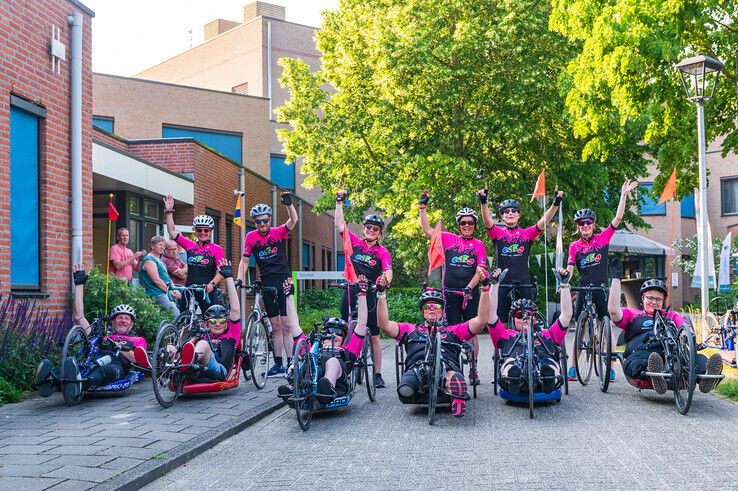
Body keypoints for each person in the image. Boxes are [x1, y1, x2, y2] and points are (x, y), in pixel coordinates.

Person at [377, 268, 490, 418]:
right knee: (405, 390)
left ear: (443, 311)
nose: (432, 310)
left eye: (436, 307)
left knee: (452, 376)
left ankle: (455, 389)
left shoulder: (452, 330)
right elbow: (384, 324)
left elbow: (481, 321)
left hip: (447, 366)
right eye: (428, 307)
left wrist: (486, 289)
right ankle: (437, 387)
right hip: (417, 368)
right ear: (422, 311)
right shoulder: (411, 329)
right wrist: (381, 293)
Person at [36, 264, 151, 401]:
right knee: (78, 366)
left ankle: (80, 385)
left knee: (102, 370)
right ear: (113, 322)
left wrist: (117, 346)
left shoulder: (137, 340)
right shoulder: (102, 334)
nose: (123, 321)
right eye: (119, 317)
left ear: (131, 324)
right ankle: (48, 380)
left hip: (116, 365)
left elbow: (138, 360)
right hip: (93, 359)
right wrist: (79, 284)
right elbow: (79, 317)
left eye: (127, 319)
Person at [607, 261, 723, 394]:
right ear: (642, 298)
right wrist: (616, 279)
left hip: (673, 353)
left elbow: (686, 328)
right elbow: (614, 311)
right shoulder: (633, 314)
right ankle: (655, 374)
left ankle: (707, 378)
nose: (654, 302)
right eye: (650, 298)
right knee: (637, 363)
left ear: (663, 301)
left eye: (658, 299)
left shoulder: (671, 315)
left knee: (699, 360)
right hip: (643, 351)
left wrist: (688, 337)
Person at [565, 179, 638, 382]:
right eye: (582, 224)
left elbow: (618, 218)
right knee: (579, 329)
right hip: (582, 288)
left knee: (606, 323)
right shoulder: (574, 246)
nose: (585, 226)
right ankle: (573, 367)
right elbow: (570, 269)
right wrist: (565, 278)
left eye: (588, 223)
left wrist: (623, 194)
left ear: (593, 224)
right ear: (578, 227)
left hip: (601, 288)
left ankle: (611, 366)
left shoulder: (602, 238)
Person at [419, 189, 487, 385]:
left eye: (470, 223)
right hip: (448, 294)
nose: (467, 226)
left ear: (474, 226)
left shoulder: (479, 245)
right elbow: (427, 230)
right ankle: (453, 368)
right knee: (451, 332)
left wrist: (469, 287)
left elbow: (480, 270)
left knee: (471, 331)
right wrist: (423, 206)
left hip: (470, 294)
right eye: (463, 223)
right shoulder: (449, 238)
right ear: (459, 225)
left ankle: (473, 369)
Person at [278, 275, 371, 406]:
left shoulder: (348, 351)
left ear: (344, 339)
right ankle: (293, 389)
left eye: (338, 333)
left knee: (332, 362)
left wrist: (361, 294)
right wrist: (289, 296)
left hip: (337, 381)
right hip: (310, 376)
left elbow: (362, 323)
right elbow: (294, 325)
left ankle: (327, 389)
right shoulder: (312, 347)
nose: (333, 335)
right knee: (295, 365)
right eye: (329, 331)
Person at [479, 186, 564, 325]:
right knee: (501, 326)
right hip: (503, 284)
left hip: (523, 283)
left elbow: (543, 222)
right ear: (502, 216)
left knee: (528, 323)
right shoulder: (498, 234)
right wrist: (483, 202)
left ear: (519, 214)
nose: (510, 213)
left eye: (514, 211)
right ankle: (500, 348)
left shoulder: (526, 234)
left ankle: (529, 345)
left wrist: (555, 203)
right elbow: (487, 222)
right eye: (506, 211)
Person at [335, 190, 393, 389]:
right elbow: (340, 225)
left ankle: (377, 374)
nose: (370, 230)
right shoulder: (355, 243)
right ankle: (339, 367)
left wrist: (384, 281)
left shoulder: (382, 252)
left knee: (375, 335)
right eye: (368, 227)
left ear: (380, 233)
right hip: (351, 289)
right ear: (363, 229)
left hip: (370, 292)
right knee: (341, 330)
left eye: (375, 229)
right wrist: (339, 202)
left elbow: (388, 270)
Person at [237, 191, 298, 377]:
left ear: (270, 219)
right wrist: (240, 278)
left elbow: (293, 221)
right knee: (275, 327)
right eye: (258, 221)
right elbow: (245, 261)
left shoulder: (278, 232)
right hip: (267, 283)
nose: (262, 224)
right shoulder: (251, 237)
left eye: (264, 220)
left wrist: (288, 204)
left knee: (287, 325)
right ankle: (278, 364)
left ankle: (291, 363)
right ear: (254, 222)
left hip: (284, 281)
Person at [487, 268, 573, 395]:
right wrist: (494, 285)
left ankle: (547, 379)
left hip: (542, 367)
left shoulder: (546, 334)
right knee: (511, 364)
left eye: (527, 315)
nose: (524, 319)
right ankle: (514, 379)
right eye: (519, 316)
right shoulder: (506, 335)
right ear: (513, 319)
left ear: (534, 318)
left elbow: (566, 316)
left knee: (548, 364)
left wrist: (564, 285)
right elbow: (490, 315)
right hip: (516, 370)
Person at [177, 260, 241, 381]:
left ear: (227, 323)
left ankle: (186, 364)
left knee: (203, 345)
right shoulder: (204, 334)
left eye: (222, 321)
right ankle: (158, 363)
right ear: (207, 323)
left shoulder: (231, 335)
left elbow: (236, 310)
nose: (217, 324)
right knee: (172, 347)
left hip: (219, 370)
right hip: (199, 369)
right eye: (213, 321)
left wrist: (228, 277)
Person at [163, 196, 225, 312]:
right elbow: (172, 231)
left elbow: (221, 271)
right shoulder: (190, 245)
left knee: (210, 321)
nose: (202, 233)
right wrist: (169, 211)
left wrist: (212, 284)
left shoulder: (216, 249)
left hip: (208, 290)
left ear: (210, 232)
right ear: (195, 231)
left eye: (206, 230)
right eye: (199, 230)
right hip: (190, 288)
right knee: (184, 320)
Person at [139, 235, 181, 317]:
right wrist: (170, 291)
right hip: (157, 294)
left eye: (164, 245)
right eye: (160, 245)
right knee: (176, 315)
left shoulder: (159, 260)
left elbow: (166, 277)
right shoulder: (149, 260)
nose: (162, 247)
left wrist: (175, 289)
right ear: (152, 246)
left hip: (165, 293)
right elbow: (156, 280)